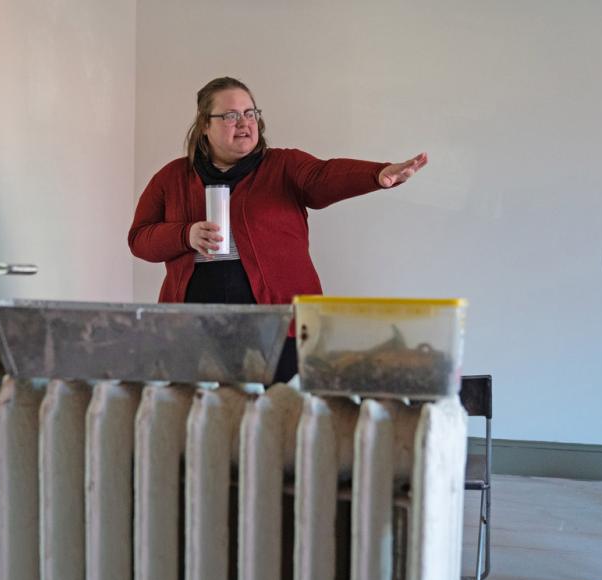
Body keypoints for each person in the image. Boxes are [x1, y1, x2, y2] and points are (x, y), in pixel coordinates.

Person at [128, 76, 427, 382]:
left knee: (281, 419)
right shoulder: (171, 178)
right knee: (203, 421)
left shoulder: (283, 166)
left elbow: (325, 176)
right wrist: (185, 235)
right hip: (193, 331)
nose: (244, 122)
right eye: (231, 115)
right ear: (205, 124)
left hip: (282, 332)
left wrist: (377, 174)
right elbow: (139, 239)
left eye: (250, 113)